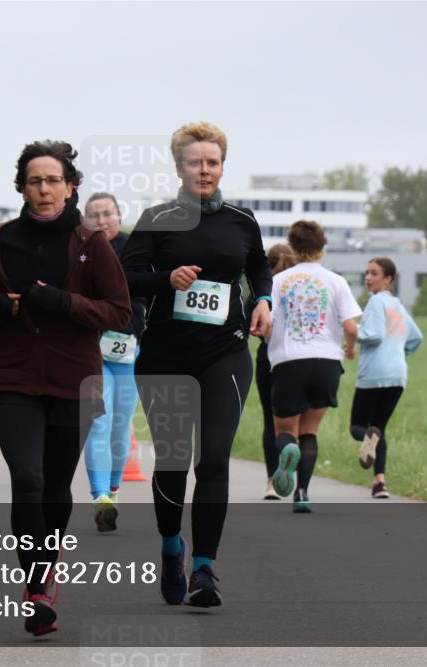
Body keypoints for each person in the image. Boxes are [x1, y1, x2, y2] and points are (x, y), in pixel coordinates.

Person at [0, 140, 130, 636]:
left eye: (52, 180)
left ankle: (47, 569)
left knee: (57, 486)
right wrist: (4, 308)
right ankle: (38, 589)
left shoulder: (92, 243)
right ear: (21, 186)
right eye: (34, 180)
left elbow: (118, 311)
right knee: (28, 479)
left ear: (70, 186)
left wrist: (64, 302)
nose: (43, 189)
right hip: (14, 374)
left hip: (73, 377)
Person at [120, 122, 271, 608]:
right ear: (179, 166)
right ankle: (171, 546)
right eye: (194, 162)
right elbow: (126, 279)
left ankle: (205, 568)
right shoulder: (156, 218)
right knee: (173, 460)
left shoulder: (241, 220)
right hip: (165, 355)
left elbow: (258, 266)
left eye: (212, 162)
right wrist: (169, 277)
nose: (204, 170)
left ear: (222, 166)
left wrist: (264, 299)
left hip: (224, 353)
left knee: (213, 458)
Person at [266, 219, 362, 513]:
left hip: (289, 360)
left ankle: (287, 450)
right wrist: (349, 347)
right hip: (326, 362)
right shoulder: (336, 281)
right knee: (310, 431)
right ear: (322, 247)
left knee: (284, 427)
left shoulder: (277, 281)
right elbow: (351, 327)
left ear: (293, 246)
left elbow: (266, 323)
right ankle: (303, 493)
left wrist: (273, 340)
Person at [81, 192, 147, 532]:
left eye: (107, 213)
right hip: (91, 351)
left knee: (121, 426)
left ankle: (115, 490)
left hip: (128, 351)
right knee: (98, 422)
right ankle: (100, 496)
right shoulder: (77, 252)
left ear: (119, 216)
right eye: (94, 215)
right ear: (85, 220)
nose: (101, 220)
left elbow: (150, 291)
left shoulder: (135, 250)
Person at [350, 257, 423, 498]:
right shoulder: (398, 306)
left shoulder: (375, 302)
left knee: (358, 428)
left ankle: (369, 441)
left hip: (373, 375)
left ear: (388, 279)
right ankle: (380, 482)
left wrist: (353, 331)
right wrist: (399, 353)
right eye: (367, 273)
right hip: (397, 375)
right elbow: (416, 338)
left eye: (374, 273)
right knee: (378, 428)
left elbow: (374, 335)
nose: (368, 278)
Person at [255, 244, 297, 499]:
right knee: (296, 422)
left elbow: (258, 326)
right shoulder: (299, 287)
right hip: (298, 358)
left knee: (269, 420)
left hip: (268, 358)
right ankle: (299, 484)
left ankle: (272, 480)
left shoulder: (265, 289)